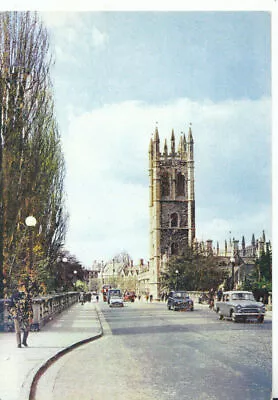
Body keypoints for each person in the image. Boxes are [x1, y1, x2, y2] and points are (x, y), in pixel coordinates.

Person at [9, 282, 33, 348]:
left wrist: (31, 316)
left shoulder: (27, 296)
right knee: (17, 330)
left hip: (25, 314)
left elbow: (30, 306)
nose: (24, 288)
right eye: (23, 287)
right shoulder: (14, 296)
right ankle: (19, 343)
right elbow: (11, 306)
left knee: (27, 329)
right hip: (17, 314)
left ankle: (24, 341)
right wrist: (13, 312)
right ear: (19, 287)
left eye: (24, 287)